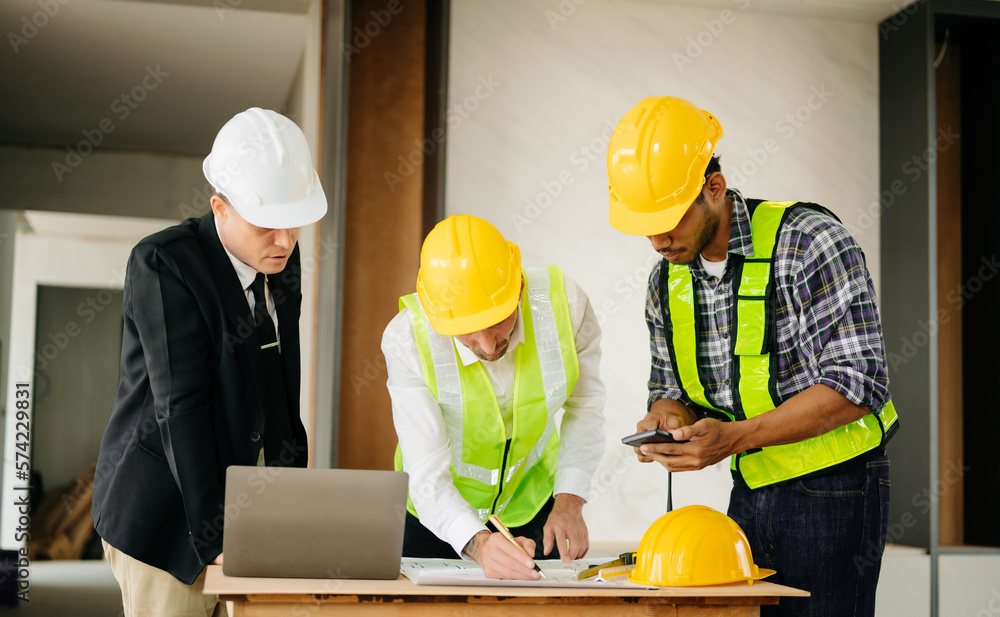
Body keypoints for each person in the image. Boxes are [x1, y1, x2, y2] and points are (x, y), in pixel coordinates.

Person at [607, 96, 898, 616]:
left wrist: (734, 437)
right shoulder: (666, 279)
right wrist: (667, 421)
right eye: (644, 225)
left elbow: (860, 383)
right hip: (749, 488)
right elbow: (670, 388)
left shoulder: (810, 243)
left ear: (713, 188)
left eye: (668, 218)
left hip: (839, 491)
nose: (657, 239)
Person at [92, 108, 327, 617]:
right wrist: (213, 533)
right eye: (268, 224)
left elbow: (281, 383)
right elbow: (182, 406)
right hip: (166, 513)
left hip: (248, 510)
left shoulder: (280, 260)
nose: (285, 241)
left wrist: (293, 507)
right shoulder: (164, 264)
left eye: (295, 223)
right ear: (220, 207)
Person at [382, 214, 605, 580]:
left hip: (531, 510)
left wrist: (570, 501)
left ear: (517, 286)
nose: (487, 346)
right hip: (432, 519)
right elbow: (425, 472)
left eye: (498, 321)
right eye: (467, 333)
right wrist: (478, 543)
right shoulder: (407, 340)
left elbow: (586, 408)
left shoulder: (566, 306)